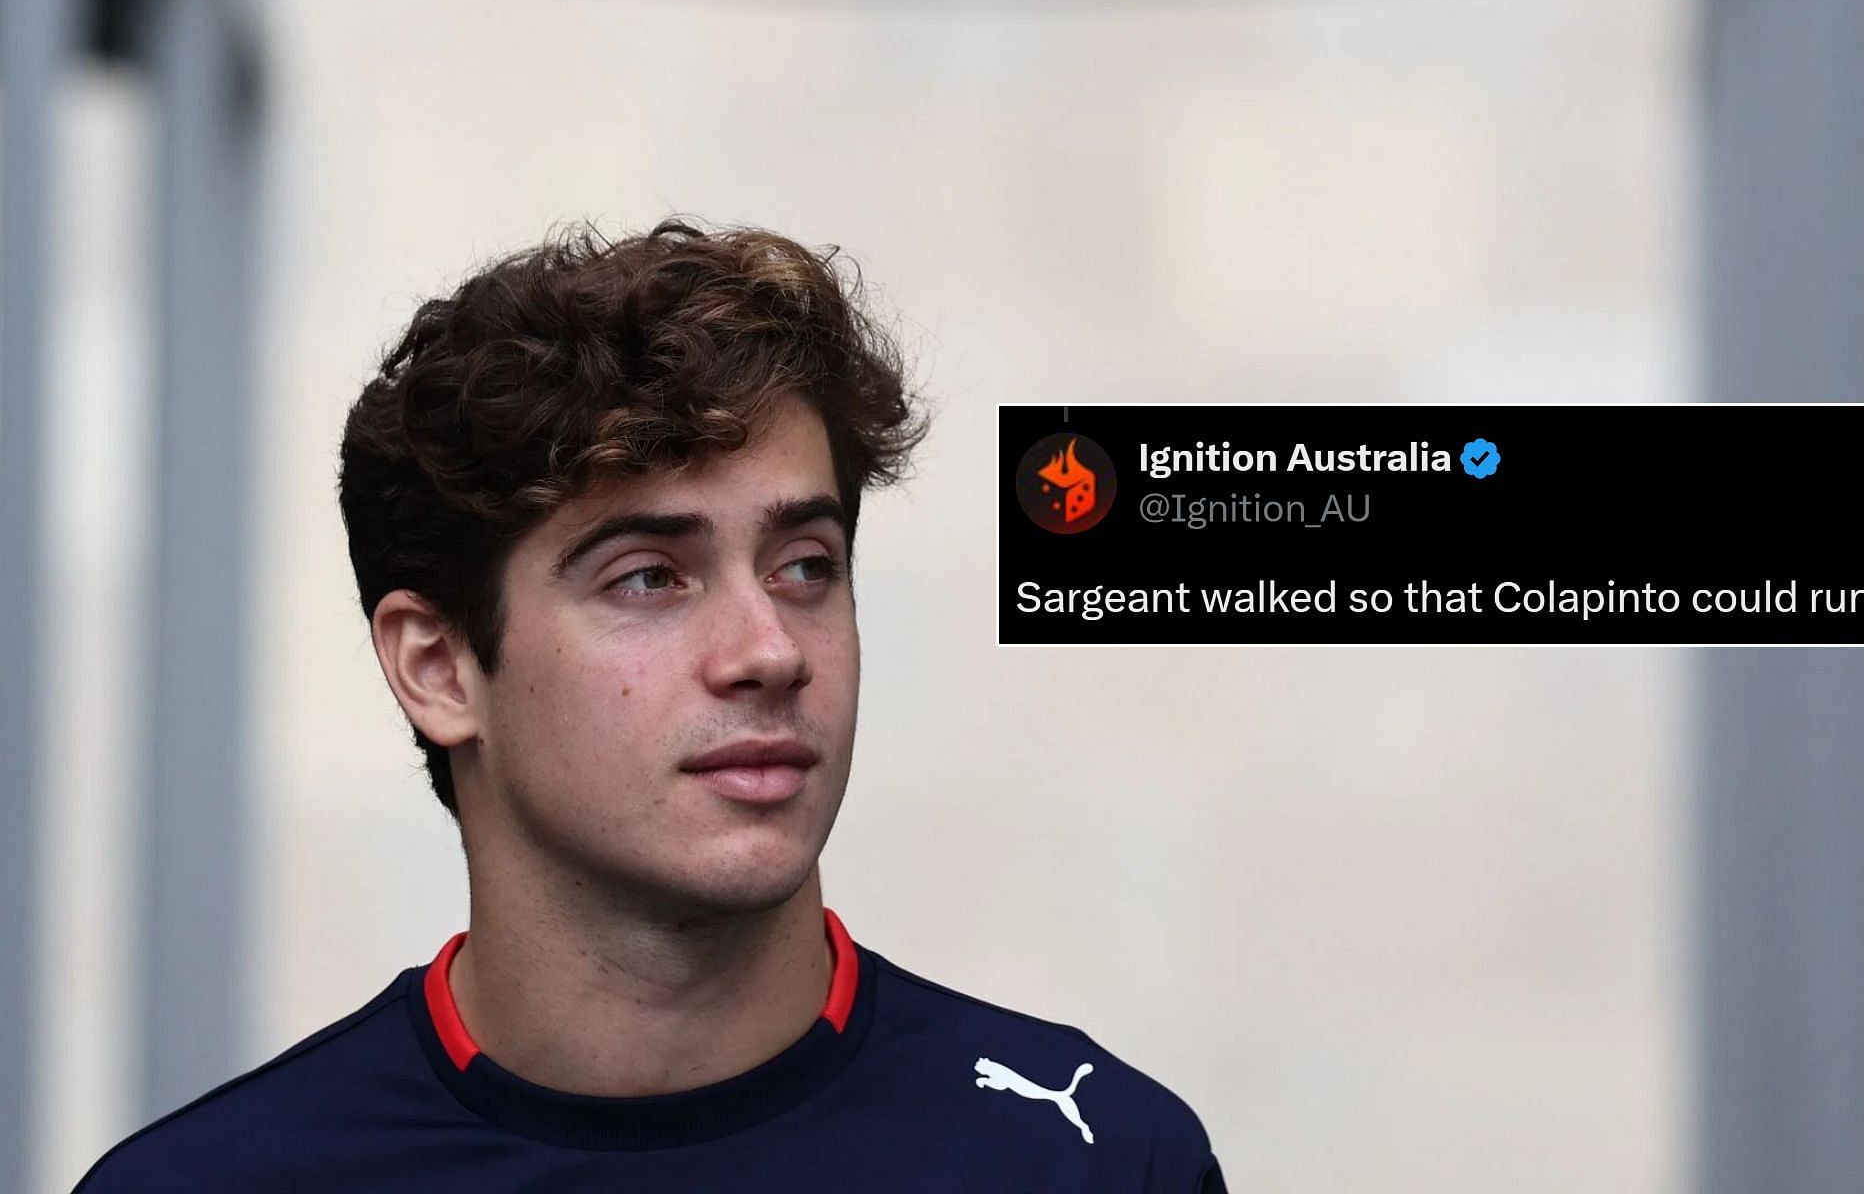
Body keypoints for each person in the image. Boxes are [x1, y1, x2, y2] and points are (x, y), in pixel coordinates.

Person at [76, 218, 1228, 1191]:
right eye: (647, 577)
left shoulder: (1092, 1157)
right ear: (437, 666)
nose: (770, 649)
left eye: (805, 564)